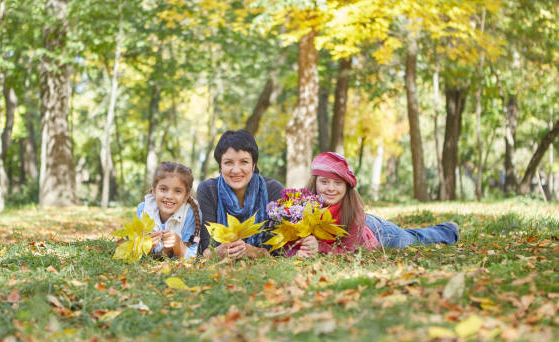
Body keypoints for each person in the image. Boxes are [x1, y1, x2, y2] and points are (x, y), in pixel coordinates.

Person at [292, 152, 459, 257]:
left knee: (414, 240)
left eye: (338, 183)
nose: (330, 188)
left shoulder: (352, 207)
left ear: (346, 186)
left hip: (375, 232)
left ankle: (447, 230)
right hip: (362, 227)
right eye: (324, 182)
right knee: (411, 234)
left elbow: (348, 251)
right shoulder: (302, 204)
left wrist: (318, 247)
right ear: (315, 182)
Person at [197, 130, 283, 259]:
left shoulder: (273, 190)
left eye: (244, 162)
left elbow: (278, 251)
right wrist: (218, 252)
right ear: (220, 166)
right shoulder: (208, 190)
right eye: (228, 162)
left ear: (253, 165)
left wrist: (252, 251)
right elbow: (206, 248)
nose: (236, 170)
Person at [136, 162, 202, 259]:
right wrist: (147, 247)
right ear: (154, 191)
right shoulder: (143, 209)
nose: (169, 196)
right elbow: (136, 249)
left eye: (178, 191)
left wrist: (178, 245)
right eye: (163, 189)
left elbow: (193, 256)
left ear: (186, 196)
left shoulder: (190, 214)